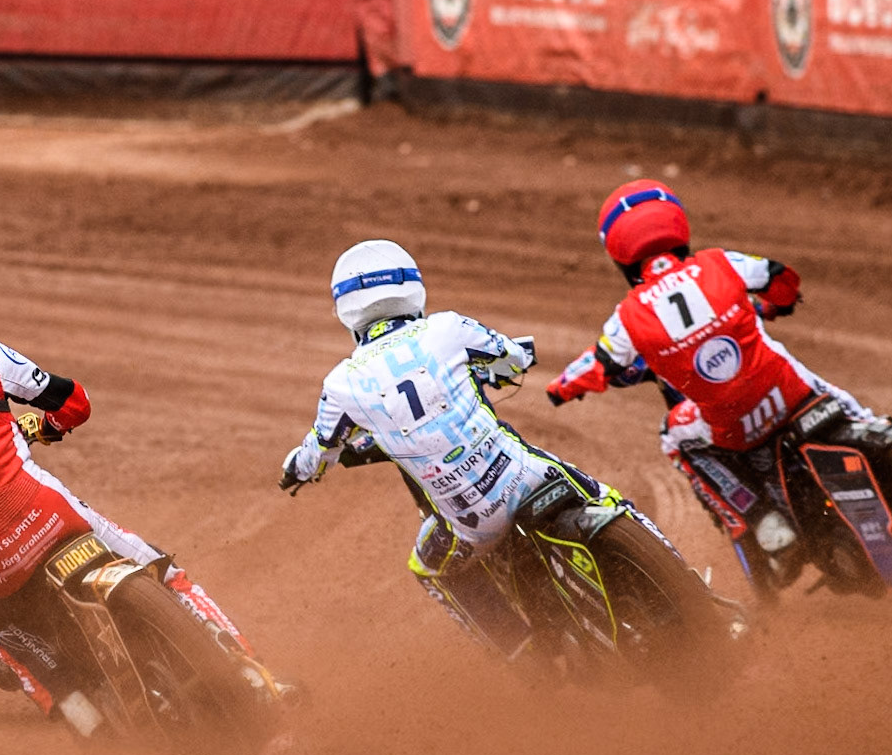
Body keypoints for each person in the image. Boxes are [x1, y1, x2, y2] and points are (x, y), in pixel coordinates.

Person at [0, 273, 287, 737]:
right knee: (163, 572)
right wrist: (51, 427)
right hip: (56, 521)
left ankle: (80, 714)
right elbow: (74, 402)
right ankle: (253, 674)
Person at [280, 239, 658, 661]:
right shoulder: (447, 328)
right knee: (604, 495)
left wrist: (296, 469)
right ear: (411, 289)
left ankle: (526, 657)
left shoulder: (341, 384)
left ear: (347, 312)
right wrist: (502, 367)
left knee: (428, 567)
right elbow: (511, 358)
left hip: (471, 524)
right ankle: (692, 584)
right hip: (525, 475)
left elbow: (319, 450)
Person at [545, 180, 876, 594]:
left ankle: (758, 519)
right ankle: (874, 431)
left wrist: (558, 389)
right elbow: (777, 277)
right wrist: (778, 303)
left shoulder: (629, 318)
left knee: (673, 434)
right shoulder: (719, 264)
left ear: (620, 255)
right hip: (789, 395)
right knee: (817, 385)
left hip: (731, 429)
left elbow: (597, 365)